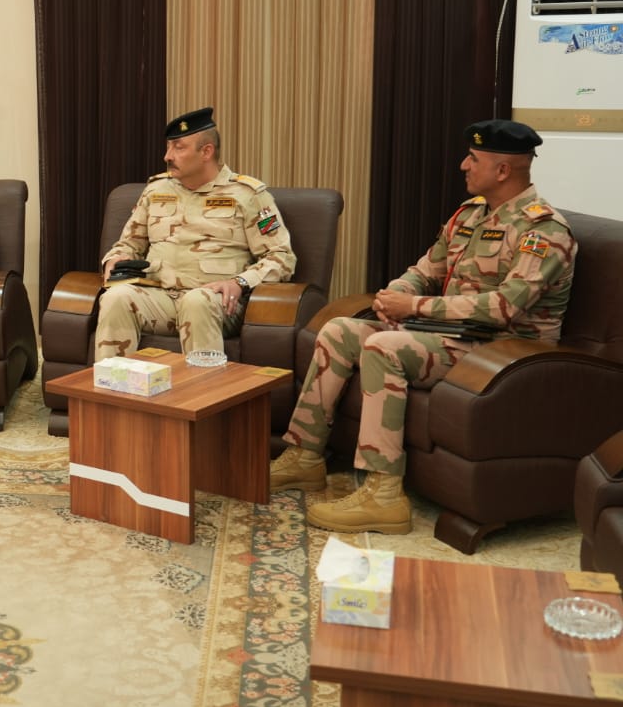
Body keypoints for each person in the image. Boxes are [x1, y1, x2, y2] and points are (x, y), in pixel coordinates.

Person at [270, 119, 577, 534]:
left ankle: (383, 495)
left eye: (474, 159)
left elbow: (503, 307)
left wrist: (414, 307)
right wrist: (392, 296)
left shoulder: (544, 231)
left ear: (503, 170)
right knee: (340, 331)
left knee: (383, 348)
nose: (463, 165)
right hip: (452, 338)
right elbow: (426, 270)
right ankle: (305, 455)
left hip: (502, 352)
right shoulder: (470, 214)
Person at [94, 107, 297, 360]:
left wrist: (239, 283)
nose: (167, 156)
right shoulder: (156, 190)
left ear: (206, 152)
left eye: (178, 148)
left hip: (218, 303)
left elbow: (281, 257)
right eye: (168, 147)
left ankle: (204, 385)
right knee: (116, 297)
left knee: (197, 301)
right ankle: (112, 384)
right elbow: (128, 244)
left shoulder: (248, 195)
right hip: (161, 298)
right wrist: (114, 259)